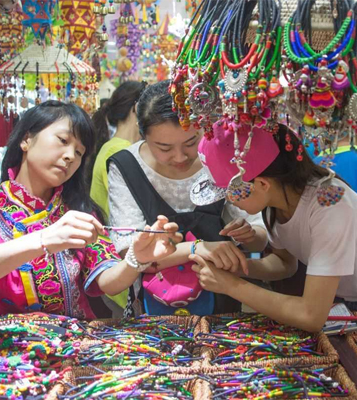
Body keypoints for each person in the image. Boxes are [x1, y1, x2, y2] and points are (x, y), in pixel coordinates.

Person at [0, 101, 181, 322]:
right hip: (5, 354)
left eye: (79, 152)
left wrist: (135, 259)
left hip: (71, 351)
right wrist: (43, 239)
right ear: (27, 139)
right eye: (62, 140)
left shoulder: (77, 212)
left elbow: (107, 280)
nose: (70, 156)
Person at [189, 121, 357, 332]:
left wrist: (229, 285)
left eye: (229, 192)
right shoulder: (276, 201)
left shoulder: (329, 206)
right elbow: (285, 263)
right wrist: (239, 267)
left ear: (262, 184)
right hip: (336, 304)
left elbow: (310, 315)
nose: (229, 200)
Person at [107, 81, 268, 317]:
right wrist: (198, 248)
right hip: (152, 312)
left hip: (223, 307)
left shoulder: (222, 157)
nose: (180, 157)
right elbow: (129, 253)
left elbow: (260, 236)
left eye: (191, 142)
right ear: (143, 135)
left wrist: (250, 235)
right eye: (164, 147)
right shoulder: (126, 167)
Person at [90, 81, 148, 316]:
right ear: (137, 108)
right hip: (121, 268)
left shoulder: (116, 147)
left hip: (122, 265)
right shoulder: (119, 152)